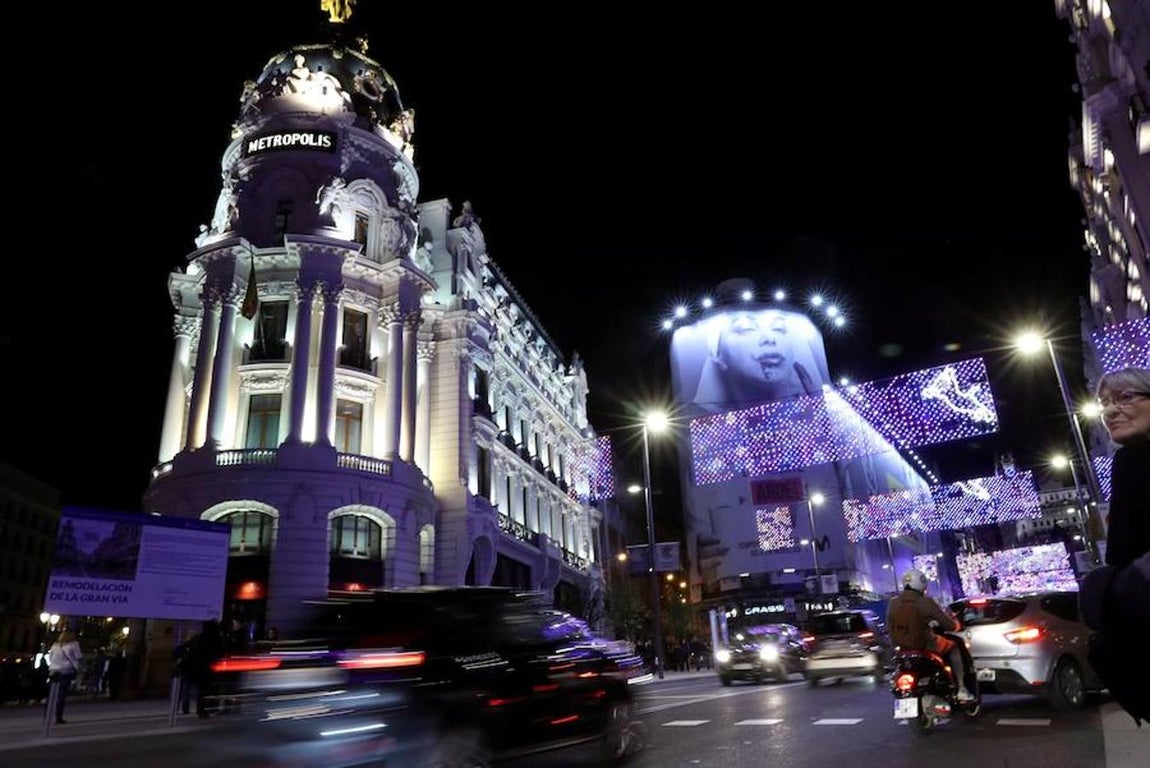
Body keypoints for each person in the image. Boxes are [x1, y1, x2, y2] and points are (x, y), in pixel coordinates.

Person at [1078, 366, 1150, 725]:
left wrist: (1125, 585)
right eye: (1105, 402)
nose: (1110, 410)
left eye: (1126, 397)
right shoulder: (1129, 461)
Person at [887, 568, 974, 702]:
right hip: (925, 645)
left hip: (902, 649)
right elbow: (948, 625)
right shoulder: (925, 601)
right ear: (922, 584)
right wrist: (956, 624)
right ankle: (961, 688)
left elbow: (890, 627)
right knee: (953, 646)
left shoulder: (893, 602)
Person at [46, 630, 83, 724]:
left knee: (52, 695)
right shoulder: (74, 644)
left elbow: (50, 658)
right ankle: (58, 717)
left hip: (53, 671)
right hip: (65, 671)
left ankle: (48, 715)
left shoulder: (55, 645)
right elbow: (78, 656)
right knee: (61, 695)